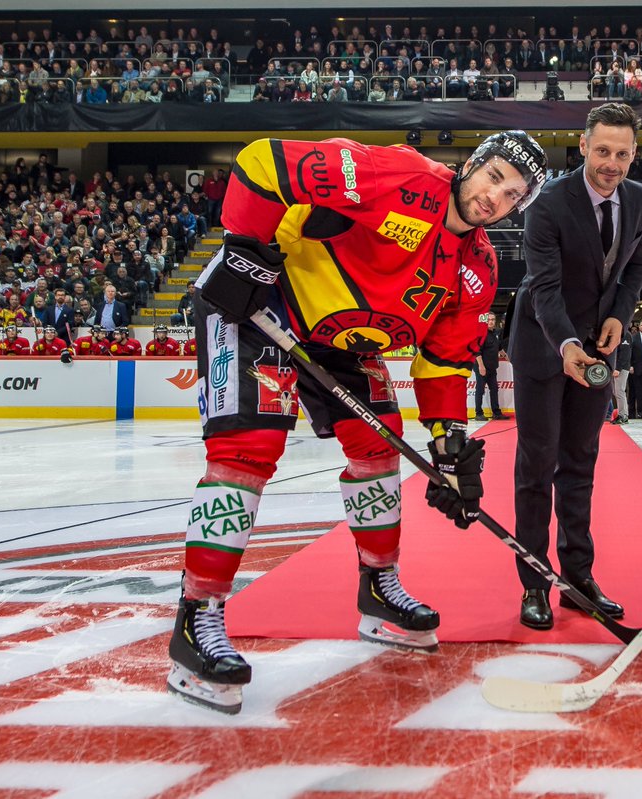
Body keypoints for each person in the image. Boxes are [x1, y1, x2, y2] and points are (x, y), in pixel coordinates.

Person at [166, 129, 548, 714]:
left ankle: (378, 587)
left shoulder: (479, 268)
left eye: (513, 193)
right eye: (494, 176)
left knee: (377, 449)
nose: (496, 196)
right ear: (472, 164)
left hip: (343, 341)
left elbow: (444, 361)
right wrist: (244, 247)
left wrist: (449, 441)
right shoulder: (399, 177)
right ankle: (198, 618)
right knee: (247, 452)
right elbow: (262, 162)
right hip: (259, 305)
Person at [506, 103, 642, 631]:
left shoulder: (640, 199)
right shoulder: (546, 203)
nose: (611, 162)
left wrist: (619, 316)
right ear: (583, 146)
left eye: (622, 153)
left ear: (634, 155)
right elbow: (543, 287)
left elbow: (638, 261)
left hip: (599, 348)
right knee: (536, 465)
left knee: (580, 463)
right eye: (603, 150)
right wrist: (567, 343)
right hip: (546, 347)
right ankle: (534, 583)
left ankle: (578, 579)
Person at [473, 314, 504, 419]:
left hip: (492, 368)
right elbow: (477, 351)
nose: (491, 322)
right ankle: (479, 413)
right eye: (489, 320)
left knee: (494, 390)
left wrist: (510, 358)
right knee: (480, 390)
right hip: (482, 367)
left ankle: (496, 413)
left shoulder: (495, 333)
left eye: (493, 319)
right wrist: (481, 367)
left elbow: (500, 349)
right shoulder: (481, 334)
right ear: (485, 321)